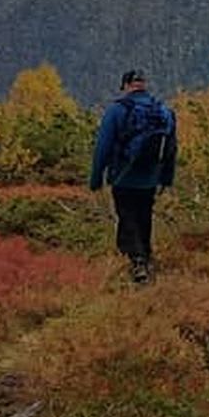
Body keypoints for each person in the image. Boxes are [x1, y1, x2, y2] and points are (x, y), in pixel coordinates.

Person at [89, 67, 177, 283]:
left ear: (126, 86)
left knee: (127, 217)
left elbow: (103, 146)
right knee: (144, 217)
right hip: (150, 177)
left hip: (123, 176)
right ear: (144, 84)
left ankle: (137, 263)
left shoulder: (116, 110)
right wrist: (166, 178)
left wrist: (96, 178)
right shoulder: (164, 111)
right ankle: (145, 258)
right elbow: (172, 148)